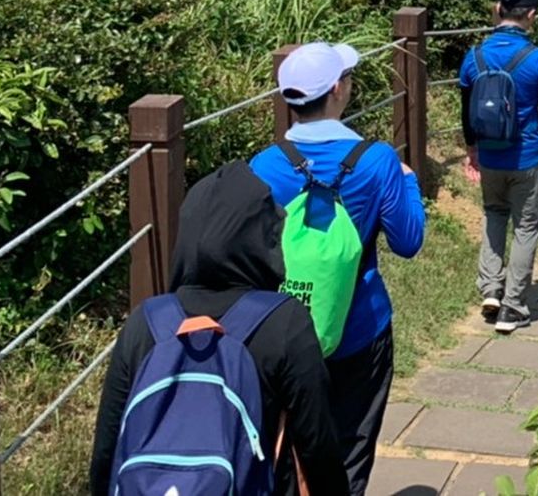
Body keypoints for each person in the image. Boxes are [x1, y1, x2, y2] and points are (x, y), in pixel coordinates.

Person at [89, 161, 351, 496]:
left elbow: (107, 450)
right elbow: (319, 444)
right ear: (264, 236)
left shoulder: (147, 322)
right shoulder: (285, 322)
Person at [249, 43, 425, 496]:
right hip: (360, 329)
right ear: (337, 89)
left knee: (285, 447)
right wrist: (408, 180)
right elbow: (408, 242)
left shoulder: (264, 165)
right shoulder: (377, 160)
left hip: (284, 331)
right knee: (350, 449)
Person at [458, 0, 538, 335]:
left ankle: (491, 289)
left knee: (494, 214)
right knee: (526, 226)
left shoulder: (474, 57)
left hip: (490, 156)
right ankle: (513, 306)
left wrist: (472, 149)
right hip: (526, 158)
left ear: (498, 10)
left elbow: (466, 111)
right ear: (532, 15)